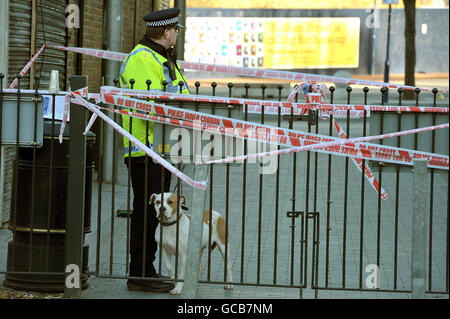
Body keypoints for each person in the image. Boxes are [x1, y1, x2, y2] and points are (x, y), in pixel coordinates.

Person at [119, 7, 190, 292]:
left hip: (163, 148)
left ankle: (148, 270)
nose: (176, 34)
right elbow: (152, 104)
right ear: (166, 32)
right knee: (146, 212)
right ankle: (140, 273)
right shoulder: (142, 58)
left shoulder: (161, 57)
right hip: (146, 148)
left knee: (154, 213)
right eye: (175, 30)